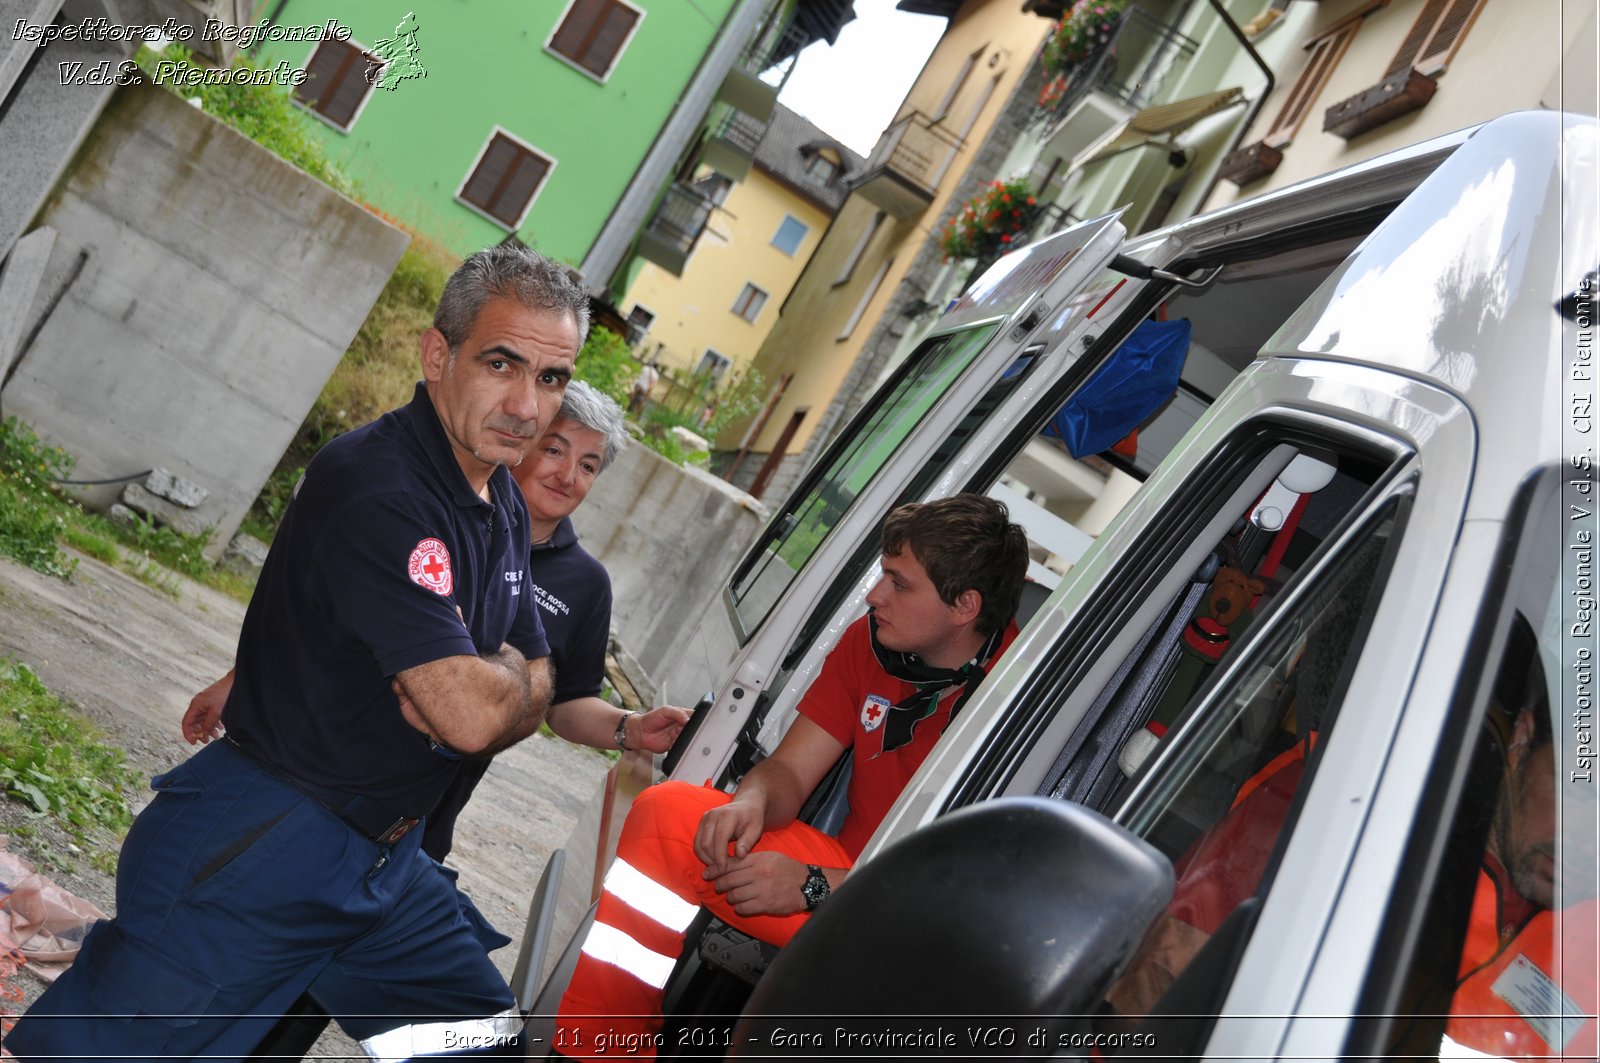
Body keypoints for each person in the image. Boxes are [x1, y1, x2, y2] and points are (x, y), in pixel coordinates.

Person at [10, 245, 587, 1060]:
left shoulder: (493, 498)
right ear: (436, 355)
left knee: (475, 1042)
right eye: (503, 363)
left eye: (552, 378)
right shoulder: (383, 486)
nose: (528, 405)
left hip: (384, 867)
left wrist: (502, 681)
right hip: (268, 845)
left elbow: (530, 676)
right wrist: (502, 682)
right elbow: (467, 714)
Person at [556, 493, 1030, 1057]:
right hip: (846, 876)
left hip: (922, 929)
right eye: (883, 575)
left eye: (900, 585)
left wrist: (812, 887)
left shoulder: (1018, 702)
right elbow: (789, 771)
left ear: (964, 606)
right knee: (671, 815)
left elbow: (964, 887)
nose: (875, 596)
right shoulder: (870, 642)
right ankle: (598, 1048)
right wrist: (750, 803)